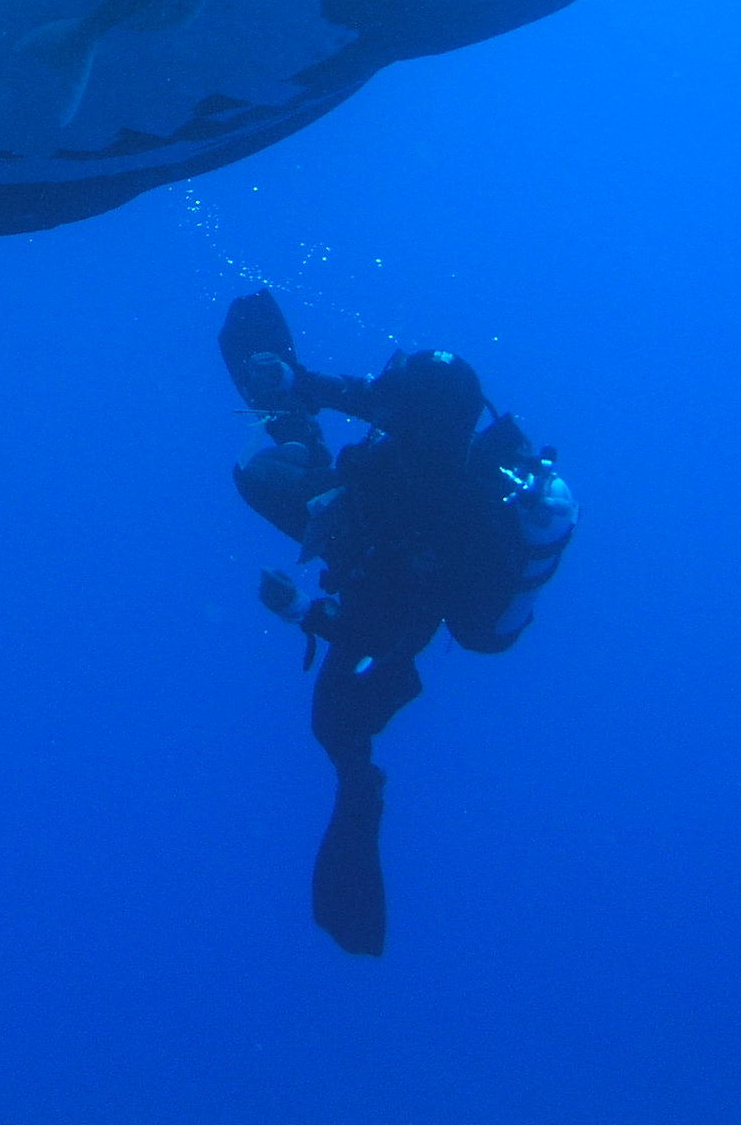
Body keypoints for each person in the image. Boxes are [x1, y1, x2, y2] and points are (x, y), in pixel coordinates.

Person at [218, 289, 579, 955]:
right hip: (370, 537)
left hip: (390, 598)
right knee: (271, 473)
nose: (384, 404)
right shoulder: (428, 431)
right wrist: (296, 381)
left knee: (334, 723)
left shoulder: (454, 524)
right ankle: (293, 426)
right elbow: (372, 398)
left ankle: (363, 790)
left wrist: (302, 608)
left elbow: (380, 632)